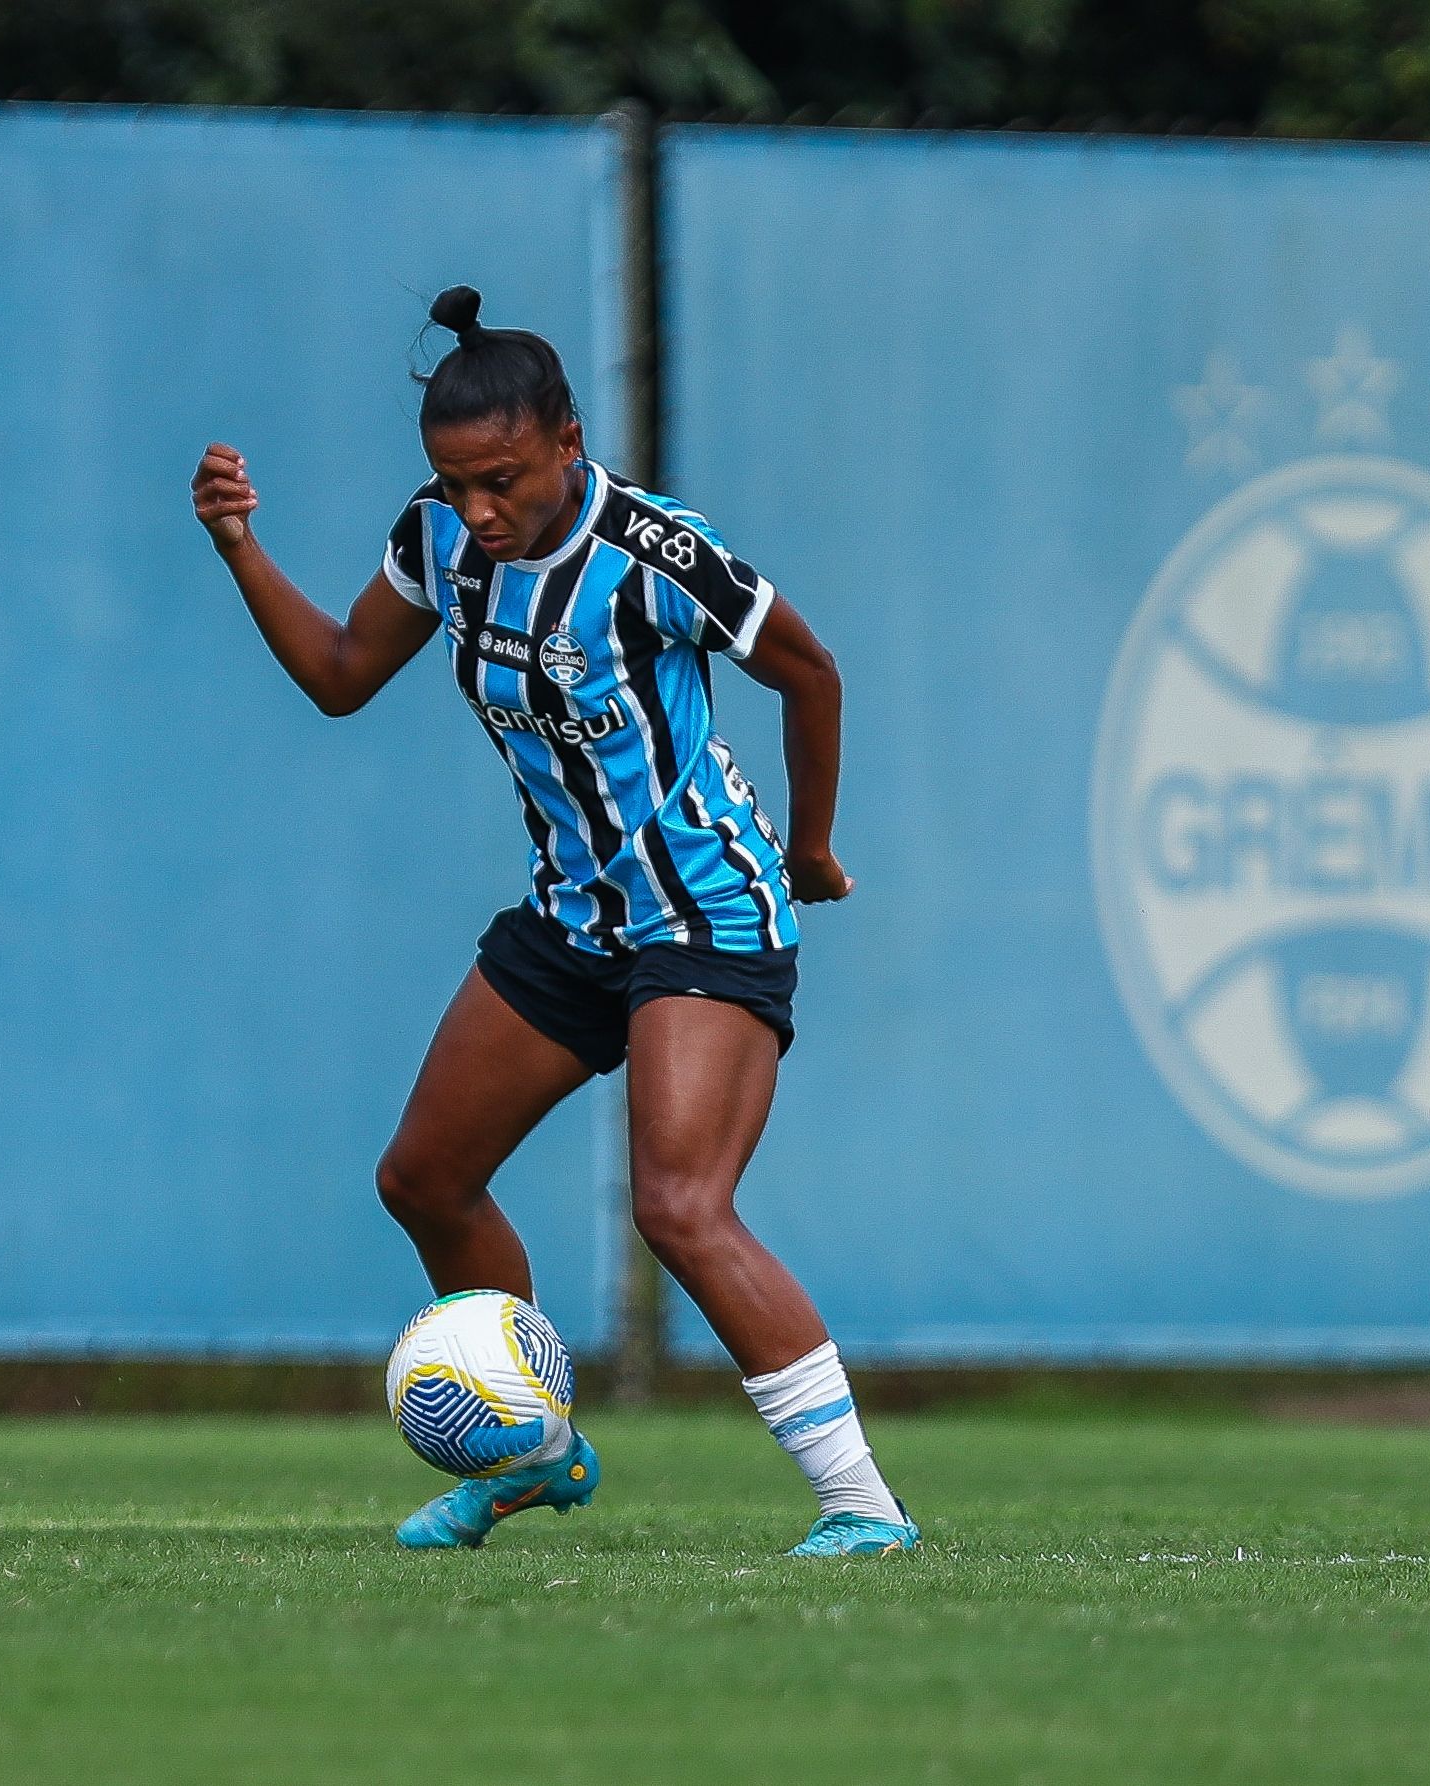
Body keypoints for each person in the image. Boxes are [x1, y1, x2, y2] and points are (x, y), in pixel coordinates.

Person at [189, 286, 916, 1558]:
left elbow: (810, 668)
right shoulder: (438, 540)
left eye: (503, 478)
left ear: (568, 442)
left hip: (705, 910)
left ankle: (863, 1507)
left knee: (680, 1206)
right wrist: (242, 546)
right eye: (455, 480)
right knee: (422, 1177)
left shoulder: (655, 552)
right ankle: (532, 1453)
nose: (478, 507)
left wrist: (808, 847)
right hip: (574, 919)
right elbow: (342, 678)